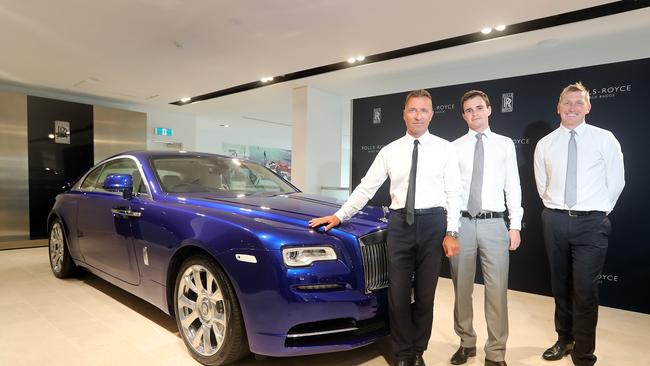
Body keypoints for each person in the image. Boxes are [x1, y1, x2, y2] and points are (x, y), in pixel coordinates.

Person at [309, 89, 462, 366]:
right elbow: (366, 187)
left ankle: (418, 350)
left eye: (423, 110)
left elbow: (454, 193)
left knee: (425, 296)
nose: (418, 115)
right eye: (413, 110)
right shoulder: (390, 151)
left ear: (432, 114)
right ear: (404, 114)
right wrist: (340, 216)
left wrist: (452, 231)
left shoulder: (445, 149)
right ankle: (403, 354)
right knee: (398, 295)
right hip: (400, 225)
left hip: (433, 225)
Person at [533, 82, 625, 366]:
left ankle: (584, 353)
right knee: (560, 286)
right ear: (558, 108)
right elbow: (542, 184)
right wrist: (556, 208)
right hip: (555, 220)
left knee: (585, 290)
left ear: (588, 107)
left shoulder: (605, 138)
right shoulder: (545, 143)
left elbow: (617, 181)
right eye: (567, 103)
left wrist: (598, 211)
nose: (572, 108)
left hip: (591, 223)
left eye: (578, 102)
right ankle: (564, 339)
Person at [449, 90, 523, 366]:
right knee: (461, 287)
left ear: (489, 110)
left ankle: (496, 352)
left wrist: (514, 225)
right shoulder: (454, 147)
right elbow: (451, 192)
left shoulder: (505, 145)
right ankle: (466, 342)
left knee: (497, 289)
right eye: (468, 110)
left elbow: (512, 185)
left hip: (495, 223)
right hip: (462, 223)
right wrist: (450, 228)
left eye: (479, 108)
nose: (474, 113)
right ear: (463, 115)